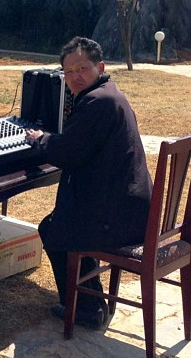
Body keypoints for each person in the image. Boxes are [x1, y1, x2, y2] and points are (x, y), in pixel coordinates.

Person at [25, 36, 152, 329]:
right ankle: (91, 301)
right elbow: (78, 145)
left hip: (119, 218)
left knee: (54, 227)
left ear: (100, 67)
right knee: (64, 222)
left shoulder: (97, 102)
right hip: (129, 208)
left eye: (82, 68)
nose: (74, 77)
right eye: (68, 72)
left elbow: (67, 153)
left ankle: (84, 308)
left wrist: (39, 139)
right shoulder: (109, 94)